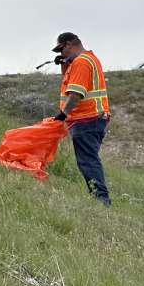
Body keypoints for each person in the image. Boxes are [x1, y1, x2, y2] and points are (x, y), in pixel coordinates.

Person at [52, 32, 112, 205]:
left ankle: (101, 199)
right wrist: (64, 65)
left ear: (70, 44)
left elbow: (76, 93)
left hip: (86, 119)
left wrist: (64, 114)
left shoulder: (81, 62)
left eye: (61, 50)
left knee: (88, 160)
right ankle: (99, 197)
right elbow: (70, 82)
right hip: (93, 118)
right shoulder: (88, 59)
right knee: (88, 159)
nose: (61, 54)